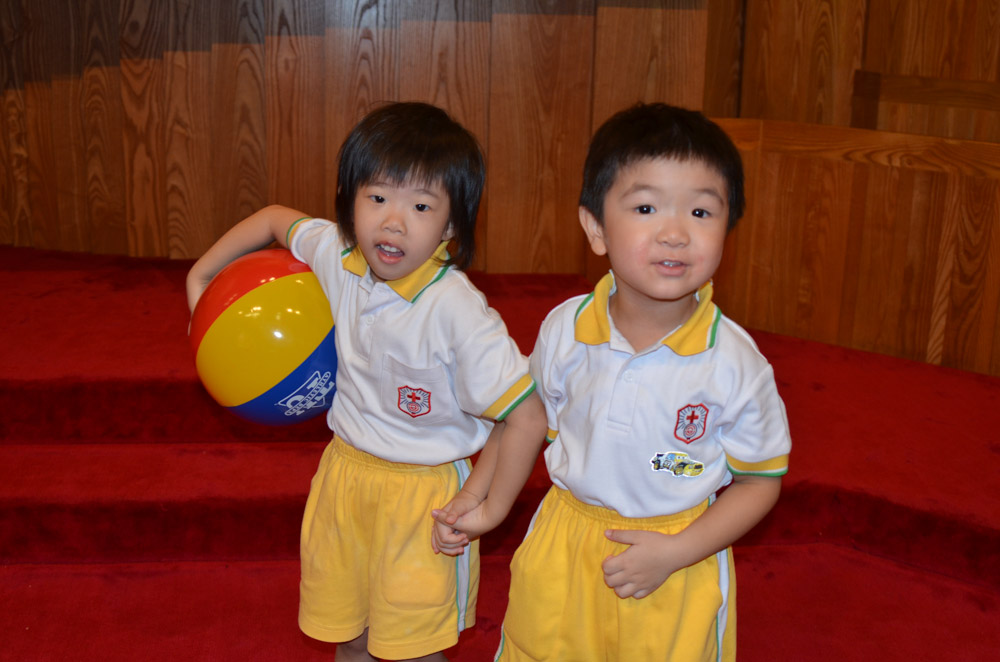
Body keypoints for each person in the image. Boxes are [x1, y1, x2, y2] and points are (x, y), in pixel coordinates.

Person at [186, 102, 546, 662]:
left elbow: (526, 413)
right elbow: (275, 218)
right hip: (344, 479)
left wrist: (487, 507)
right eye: (376, 198)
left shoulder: (457, 311)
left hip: (425, 498)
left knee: (414, 650)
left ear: (451, 226)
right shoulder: (338, 255)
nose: (393, 222)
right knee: (349, 637)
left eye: (421, 206)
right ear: (349, 200)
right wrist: (202, 276)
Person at [492, 103, 792, 661]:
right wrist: (484, 502)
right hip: (564, 545)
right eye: (647, 207)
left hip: (674, 560)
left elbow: (760, 481)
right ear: (596, 228)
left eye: (701, 212)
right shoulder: (565, 329)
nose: (675, 234)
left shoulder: (735, 363)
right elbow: (526, 421)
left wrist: (675, 552)